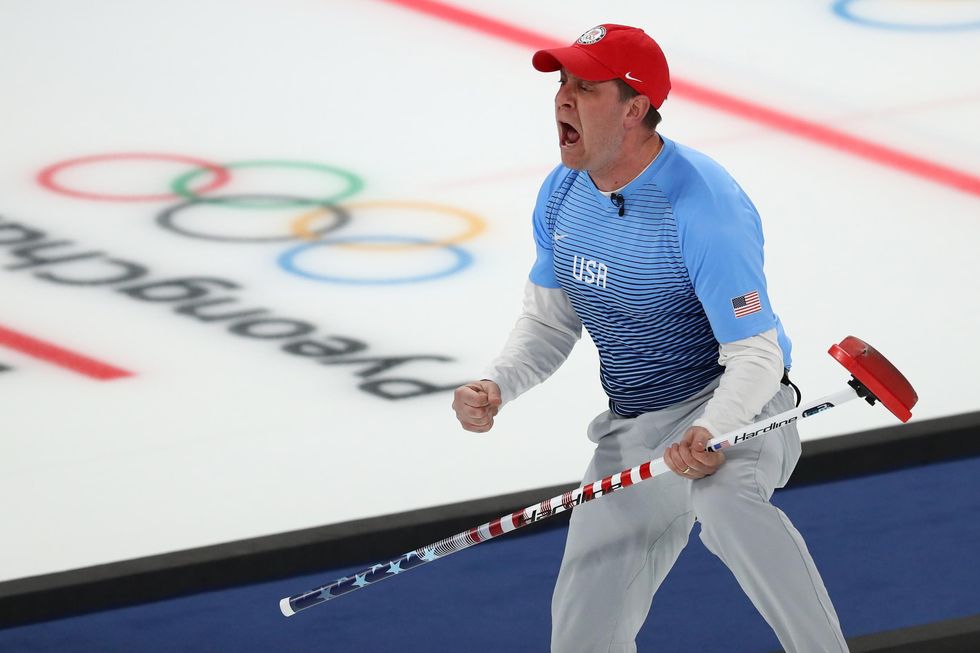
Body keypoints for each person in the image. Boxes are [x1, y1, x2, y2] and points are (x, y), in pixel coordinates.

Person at [451, 24, 850, 653]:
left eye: (585, 87)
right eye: (561, 83)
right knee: (582, 632)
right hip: (632, 429)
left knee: (725, 506)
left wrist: (712, 426)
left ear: (635, 108)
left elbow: (756, 351)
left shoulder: (704, 204)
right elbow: (552, 321)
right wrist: (497, 382)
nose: (562, 99)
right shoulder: (562, 194)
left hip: (736, 405)